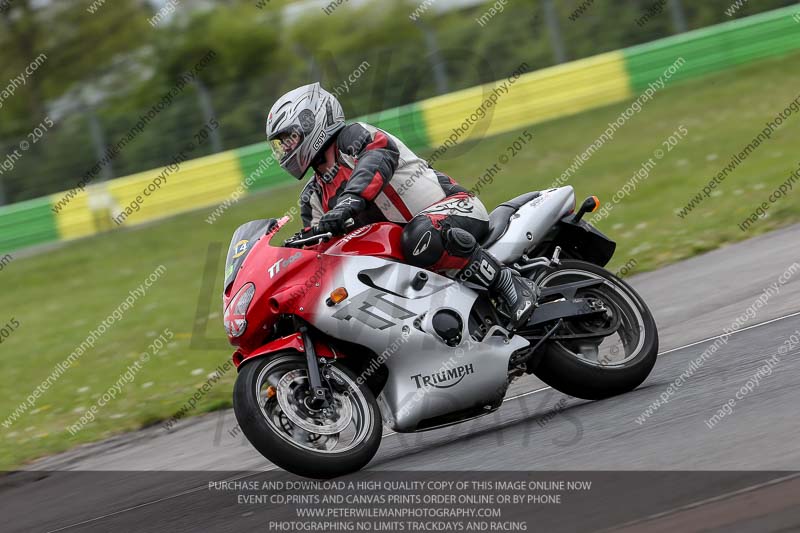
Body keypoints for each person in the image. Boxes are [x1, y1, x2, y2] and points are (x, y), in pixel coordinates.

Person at [266, 83, 537, 330]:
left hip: (452, 210)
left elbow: (377, 159)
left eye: (289, 138)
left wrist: (348, 203)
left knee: (420, 236)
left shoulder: (354, 137)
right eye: (281, 143)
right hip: (400, 255)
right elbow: (318, 248)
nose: (286, 148)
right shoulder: (311, 196)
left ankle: (508, 283)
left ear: (312, 122)